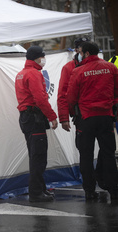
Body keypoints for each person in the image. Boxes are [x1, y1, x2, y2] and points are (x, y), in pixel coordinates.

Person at [67, 41, 118, 201]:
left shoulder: (78, 71)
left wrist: (72, 114)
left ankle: (89, 190)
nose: (79, 54)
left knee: (86, 155)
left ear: (87, 53)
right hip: (105, 117)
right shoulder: (111, 68)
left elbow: (71, 97)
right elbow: (116, 91)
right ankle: (114, 190)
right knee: (109, 154)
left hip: (86, 118)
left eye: (81, 52)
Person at [15, 45, 58, 202]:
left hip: (27, 118)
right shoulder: (33, 74)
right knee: (39, 157)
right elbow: (40, 99)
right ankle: (36, 192)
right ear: (37, 58)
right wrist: (52, 116)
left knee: (36, 156)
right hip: (34, 118)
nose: (43, 59)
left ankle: (40, 189)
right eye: (42, 56)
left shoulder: (21, 74)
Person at [57, 37, 90, 132]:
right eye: (82, 48)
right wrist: (64, 118)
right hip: (81, 114)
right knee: (84, 145)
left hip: (100, 113)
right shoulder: (68, 68)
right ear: (76, 50)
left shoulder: (98, 65)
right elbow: (62, 94)